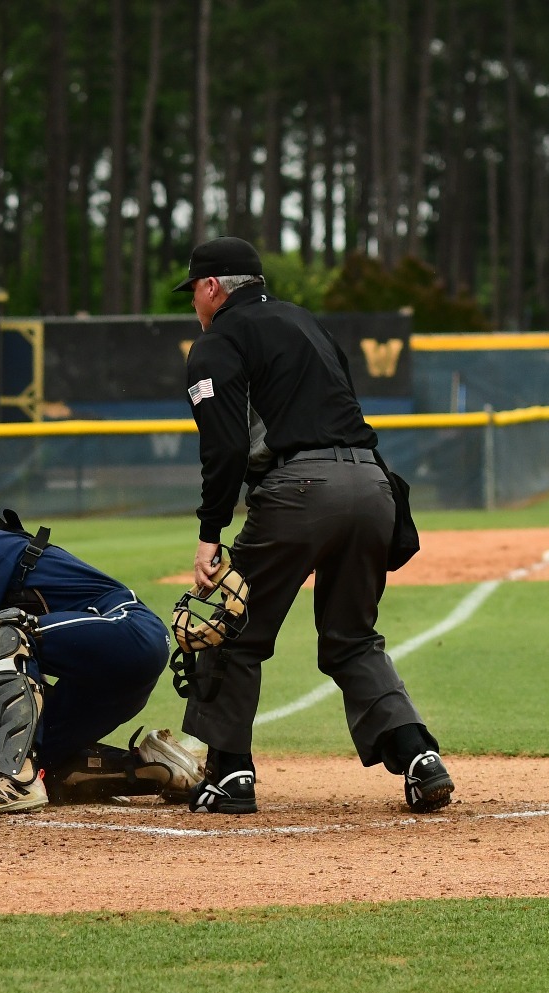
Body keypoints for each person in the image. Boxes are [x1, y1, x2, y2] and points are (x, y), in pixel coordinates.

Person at [176, 235, 453, 817]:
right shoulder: (306, 323)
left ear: (212, 288)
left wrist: (210, 532)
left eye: (194, 293)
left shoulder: (217, 342)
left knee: (233, 628)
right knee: (351, 637)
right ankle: (418, 756)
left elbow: (224, 448)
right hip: (373, 485)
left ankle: (230, 774)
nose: (194, 306)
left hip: (299, 491)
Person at [0, 474, 196, 815]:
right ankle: (157, 767)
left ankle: (15, 781)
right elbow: (18, 675)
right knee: (43, 765)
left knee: (7, 631)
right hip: (115, 674)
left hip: (127, 629)